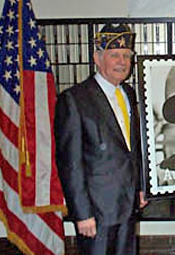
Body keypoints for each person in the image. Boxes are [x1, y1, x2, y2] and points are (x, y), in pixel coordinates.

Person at [54, 24, 147, 254]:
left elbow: (132, 149)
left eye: (126, 55)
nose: (122, 61)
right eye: (114, 55)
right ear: (97, 57)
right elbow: (70, 163)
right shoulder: (75, 99)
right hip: (96, 212)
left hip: (127, 204)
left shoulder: (129, 94)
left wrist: (140, 188)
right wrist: (82, 213)